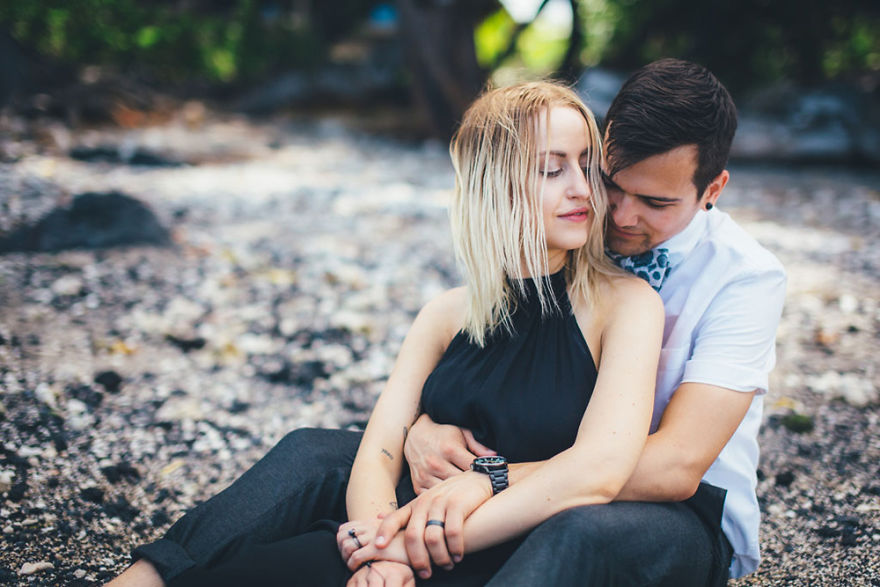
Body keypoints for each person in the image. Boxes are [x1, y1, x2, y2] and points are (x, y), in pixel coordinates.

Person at [109, 82, 665, 586]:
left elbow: (597, 471)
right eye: (551, 169)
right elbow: (377, 452)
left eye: (586, 165)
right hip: (394, 534)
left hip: (516, 549)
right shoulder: (447, 314)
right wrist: (378, 550)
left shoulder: (625, 307)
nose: (583, 190)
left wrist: (405, 548)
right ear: (493, 185)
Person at [383, 58, 786, 585]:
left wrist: (493, 477)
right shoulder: (576, 223)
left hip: (671, 512)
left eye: (655, 203)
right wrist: (417, 429)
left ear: (712, 190)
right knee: (321, 456)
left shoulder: (745, 278)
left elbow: (678, 465)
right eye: (612, 183)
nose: (620, 216)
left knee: (573, 534)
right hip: (537, 478)